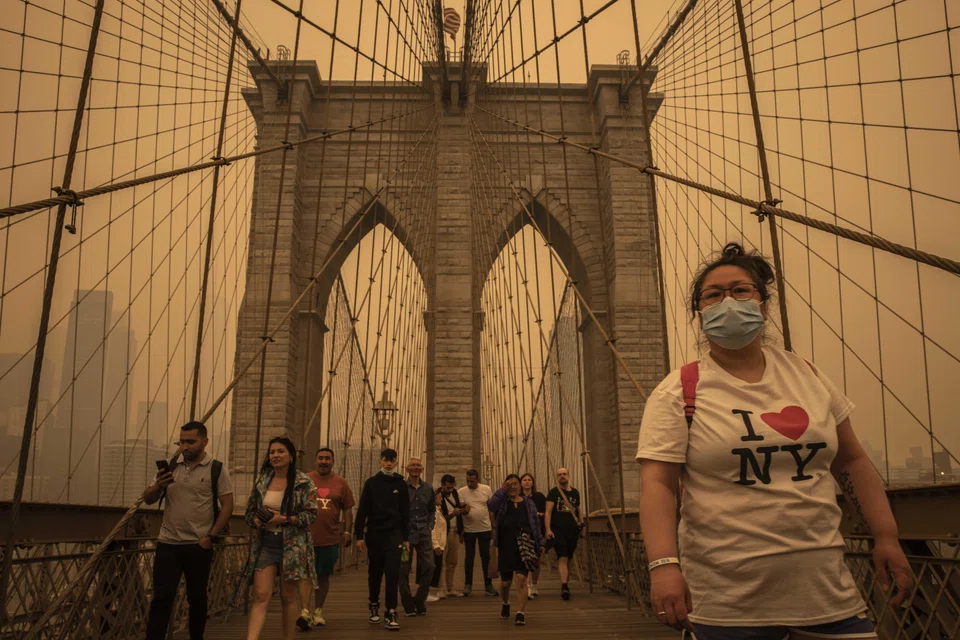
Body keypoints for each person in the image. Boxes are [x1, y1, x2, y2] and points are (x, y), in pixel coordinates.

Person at [636, 242, 914, 639]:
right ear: (700, 314)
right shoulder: (678, 391)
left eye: (741, 290)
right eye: (713, 295)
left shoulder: (808, 375)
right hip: (728, 607)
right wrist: (663, 566)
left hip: (828, 594)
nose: (728, 301)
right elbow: (658, 485)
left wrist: (885, 536)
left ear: (763, 305)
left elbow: (851, 461)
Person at [143, 421, 234, 640]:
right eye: (182, 442)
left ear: (205, 441)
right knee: (161, 598)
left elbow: (228, 506)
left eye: (191, 442)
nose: (185, 446)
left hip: (198, 545)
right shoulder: (170, 465)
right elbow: (148, 499)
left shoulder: (217, 469)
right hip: (168, 543)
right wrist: (159, 486)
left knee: (197, 598)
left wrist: (211, 536)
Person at [242, 436, 318, 640]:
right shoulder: (262, 480)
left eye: (280, 451)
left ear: (291, 457)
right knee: (261, 596)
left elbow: (311, 515)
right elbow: (249, 513)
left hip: (292, 547)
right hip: (266, 543)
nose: (275, 455)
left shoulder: (303, 482)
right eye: (272, 452)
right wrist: (256, 521)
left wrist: (284, 519)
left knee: (288, 598)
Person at [296, 447, 354, 630]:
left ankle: (318, 611)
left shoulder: (341, 483)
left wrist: (347, 532)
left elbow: (347, 508)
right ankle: (305, 612)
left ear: (333, 461)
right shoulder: (304, 479)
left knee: (323, 576)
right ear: (315, 460)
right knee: (305, 574)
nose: (323, 461)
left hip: (330, 538)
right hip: (306, 537)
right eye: (320, 458)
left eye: (327, 458)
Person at [355, 448, 410, 630]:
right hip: (375, 534)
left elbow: (405, 512)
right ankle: (373, 605)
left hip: (394, 534)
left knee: (393, 573)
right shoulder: (371, 483)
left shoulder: (401, 484)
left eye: (392, 460)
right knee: (375, 573)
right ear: (380, 462)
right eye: (385, 460)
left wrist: (406, 538)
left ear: (396, 462)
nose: (388, 463)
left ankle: (391, 611)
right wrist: (358, 536)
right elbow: (362, 510)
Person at [488, 474, 545, 626]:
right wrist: (502, 490)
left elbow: (535, 525)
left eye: (515, 484)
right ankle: (505, 602)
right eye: (510, 484)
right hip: (506, 546)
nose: (513, 487)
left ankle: (520, 613)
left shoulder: (528, 503)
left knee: (521, 579)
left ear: (520, 486)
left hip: (524, 545)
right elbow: (490, 506)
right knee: (505, 583)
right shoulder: (502, 503)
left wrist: (540, 542)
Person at [400, 457, 435, 616]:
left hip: (423, 533)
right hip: (405, 535)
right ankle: (408, 604)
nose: (415, 468)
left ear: (422, 469)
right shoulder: (400, 487)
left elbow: (432, 509)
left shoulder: (428, 488)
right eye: (412, 465)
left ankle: (420, 598)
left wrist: (429, 526)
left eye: (418, 465)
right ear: (407, 469)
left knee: (429, 566)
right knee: (403, 568)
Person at [544, 467, 585, 600]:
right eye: (560, 474)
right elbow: (548, 512)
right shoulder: (553, 492)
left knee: (570, 557)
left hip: (573, 530)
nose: (562, 476)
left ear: (568, 475)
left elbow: (579, 510)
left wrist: (583, 526)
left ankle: (566, 582)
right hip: (558, 530)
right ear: (557, 477)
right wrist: (548, 529)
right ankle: (564, 586)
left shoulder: (575, 493)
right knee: (562, 557)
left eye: (564, 474)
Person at [459, 469, 498, 596]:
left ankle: (488, 585)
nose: (470, 483)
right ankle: (468, 585)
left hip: (484, 528)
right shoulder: (461, 491)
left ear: (478, 480)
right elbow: (459, 512)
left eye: (472, 481)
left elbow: (491, 508)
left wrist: (494, 527)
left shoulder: (486, 489)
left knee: (485, 558)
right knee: (469, 558)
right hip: (469, 529)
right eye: (468, 481)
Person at [520, 473, 546, 598]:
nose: (527, 482)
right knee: (525, 559)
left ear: (533, 482)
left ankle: (533, 584)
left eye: (529, 480)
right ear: (521, 483)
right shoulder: (517, 497)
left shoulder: (539, 497)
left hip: (536, 531)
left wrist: (539, 514)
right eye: (524, 480)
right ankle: (527, 586)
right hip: (522, 532)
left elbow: (546, 512)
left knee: (536, 559)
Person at [426, 488, 447, 602]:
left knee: (436, 568)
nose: (442, 499)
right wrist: (436, 545)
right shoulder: (433, 511)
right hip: (436, 545)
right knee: (432, 568)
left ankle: (433, 592)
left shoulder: (437, 509)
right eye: (439, 497)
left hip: (439, 544)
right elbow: (432, 529)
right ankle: (427, 593)